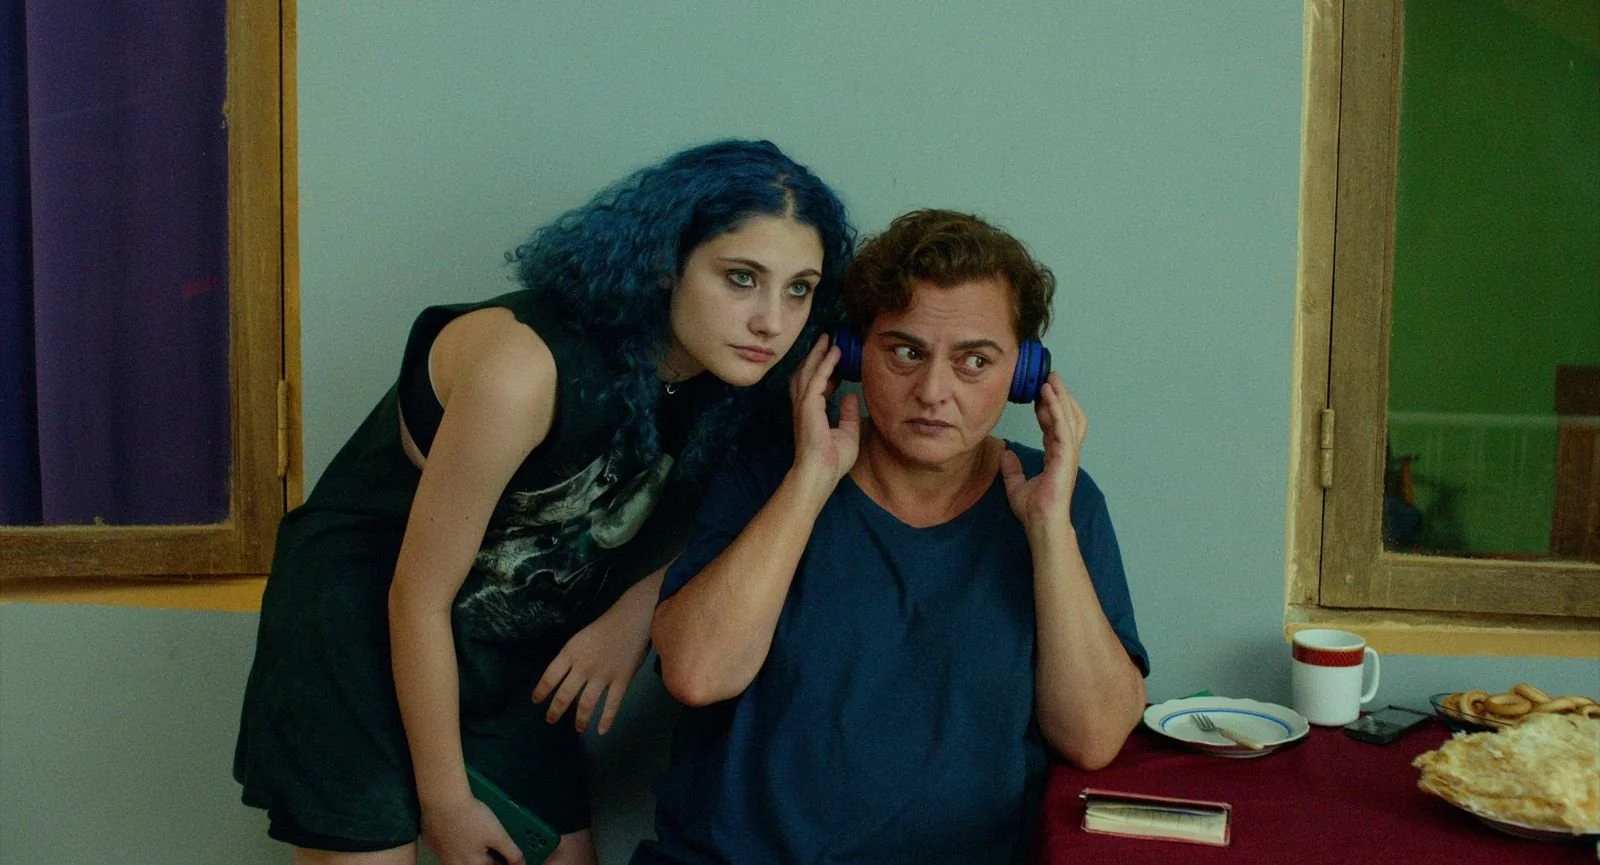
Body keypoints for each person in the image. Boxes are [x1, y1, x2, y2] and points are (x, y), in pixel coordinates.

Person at [233, 139, 855, 865]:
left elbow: (745, 526)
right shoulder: (521, 367)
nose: (771, 322)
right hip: (362, 625)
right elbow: (416, 596)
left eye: (799, 287)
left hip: (508, 638)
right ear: (664, 263)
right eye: (740, 278)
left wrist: (638, 610)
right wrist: (446, 802)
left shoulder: (737, 376)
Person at [638, 209, 1149, 864]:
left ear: (1025, 376)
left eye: (974, 361)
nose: (933, 391)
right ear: (850, 353)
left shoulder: (1063, 501)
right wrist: (808, 483)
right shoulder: (770, 475)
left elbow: (1095, 736)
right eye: (905, 352)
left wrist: (1050, 530)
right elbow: (697, 673)